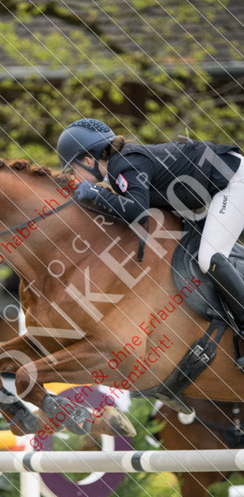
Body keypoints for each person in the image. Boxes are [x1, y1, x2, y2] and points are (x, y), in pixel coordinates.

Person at [57, 118, 244, 361]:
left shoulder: (124, 164)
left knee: (209, 258)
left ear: (88, 160)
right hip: (207, 190)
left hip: (233, 182)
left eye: (73, 169)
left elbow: (137, 212)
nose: (74, 177)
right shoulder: (120, 167)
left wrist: (96, 193)